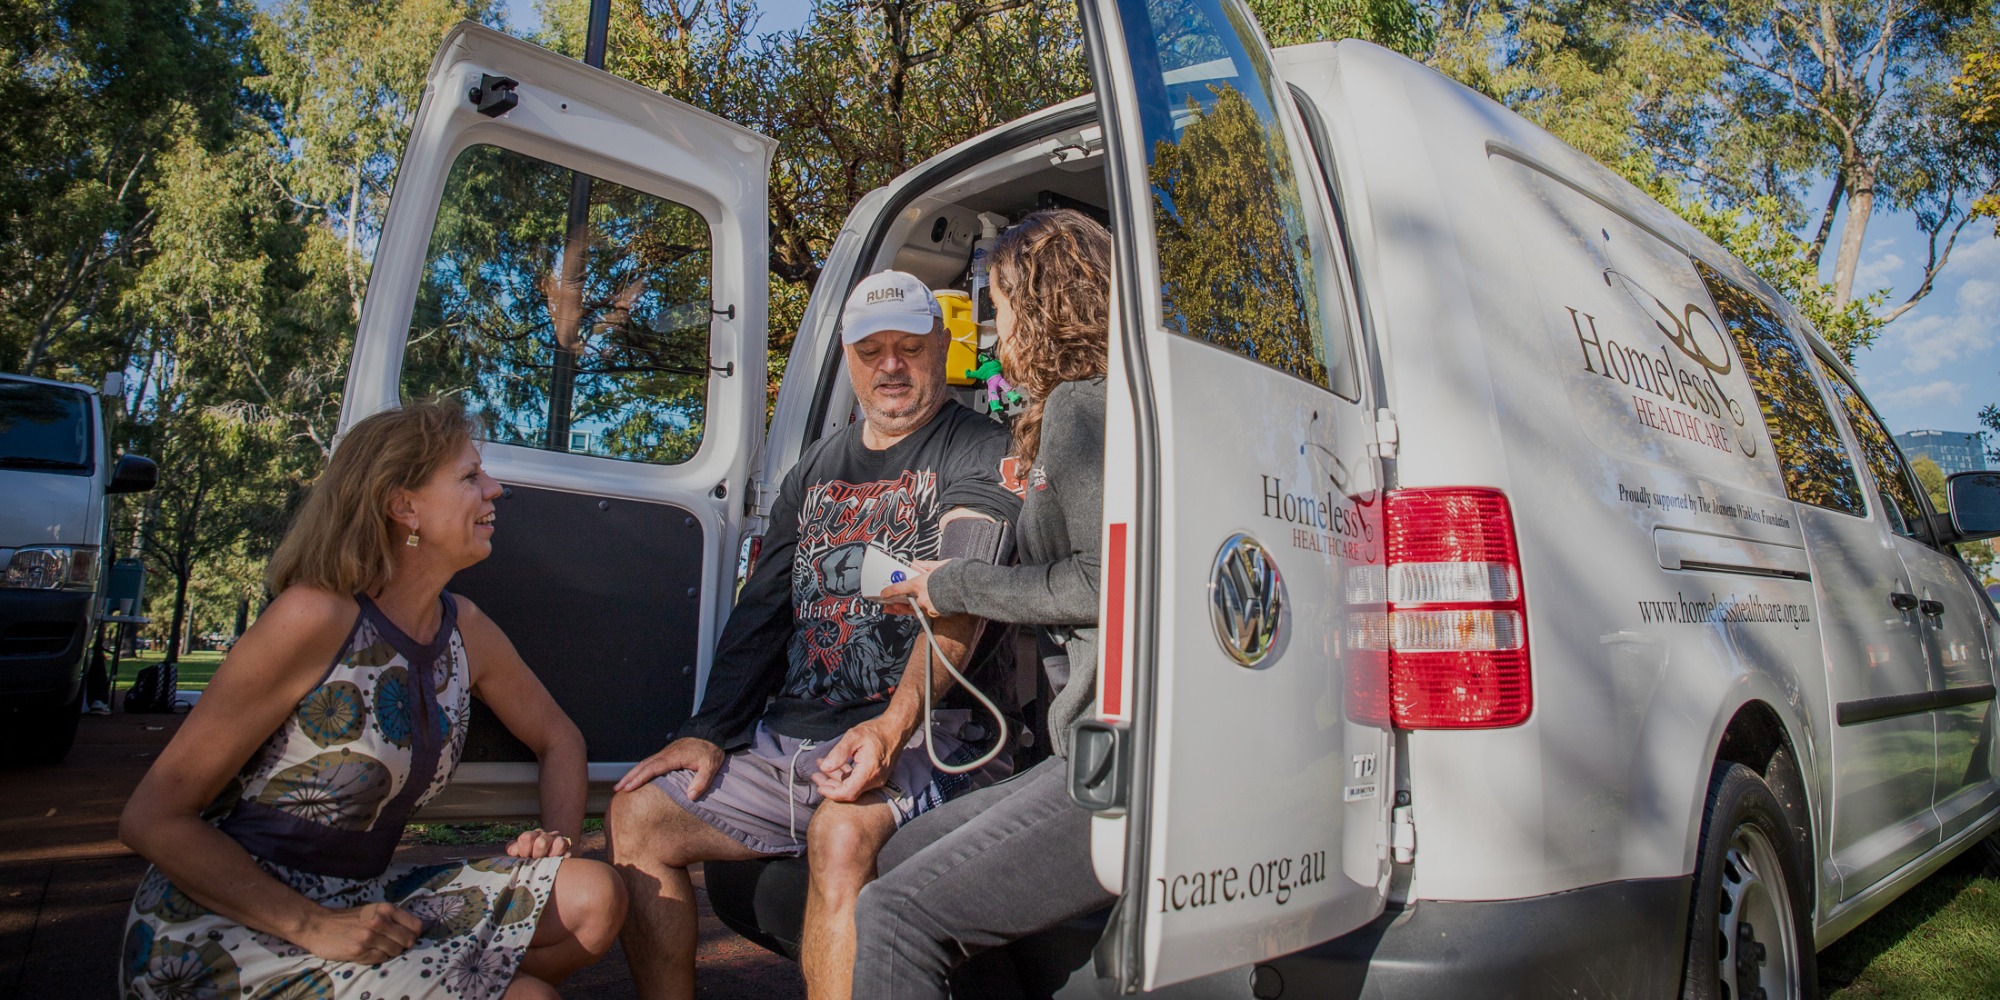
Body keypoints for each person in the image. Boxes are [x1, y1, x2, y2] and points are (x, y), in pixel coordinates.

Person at [117, 402, 627, 1000]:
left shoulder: (463, 628)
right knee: (529, 999)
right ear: (404, 506)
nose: (494, 489)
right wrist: (314, 926)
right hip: (232, 921)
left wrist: (554, 843)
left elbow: (558, 738)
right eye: (470, 476)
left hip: (365, 898)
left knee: (593, 895)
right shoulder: (314, 616)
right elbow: (151, 818)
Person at [606, 270, 1023, 1000]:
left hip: (933, 737)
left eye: (909, 347)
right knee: (637, 815)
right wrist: (709, 729)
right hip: (796, 740)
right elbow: (764, 610)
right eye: (871, 350)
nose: (890, 366)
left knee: (841, 835)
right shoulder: (815, 470)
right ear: (848, 357)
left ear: (941, 345)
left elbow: (962, 593)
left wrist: (892, 727)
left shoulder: (982, 449)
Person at [852, 208, 1114, 999]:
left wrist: (950, 582)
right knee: (900, 854)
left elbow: (1096, 584)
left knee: (894, 914)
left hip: (1115, 756)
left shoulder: (1082, 407)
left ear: (1042, 303)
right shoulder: (1100, 402)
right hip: (1093, 743)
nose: (996, 335)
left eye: (999, 307)